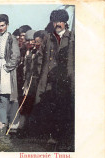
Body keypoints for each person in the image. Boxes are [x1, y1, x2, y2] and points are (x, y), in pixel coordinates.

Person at [34, 9, 75, 143]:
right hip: (47, 79)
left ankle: (61, 136)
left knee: (62, 107)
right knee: (47, 106)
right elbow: (40, 57)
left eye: (60, 21)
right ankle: (49, 135)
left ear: (65, 22)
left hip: (64, 80)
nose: (57, 24)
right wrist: (41, 74)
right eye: (55, 21)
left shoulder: (72, 37)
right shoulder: (48, 37)